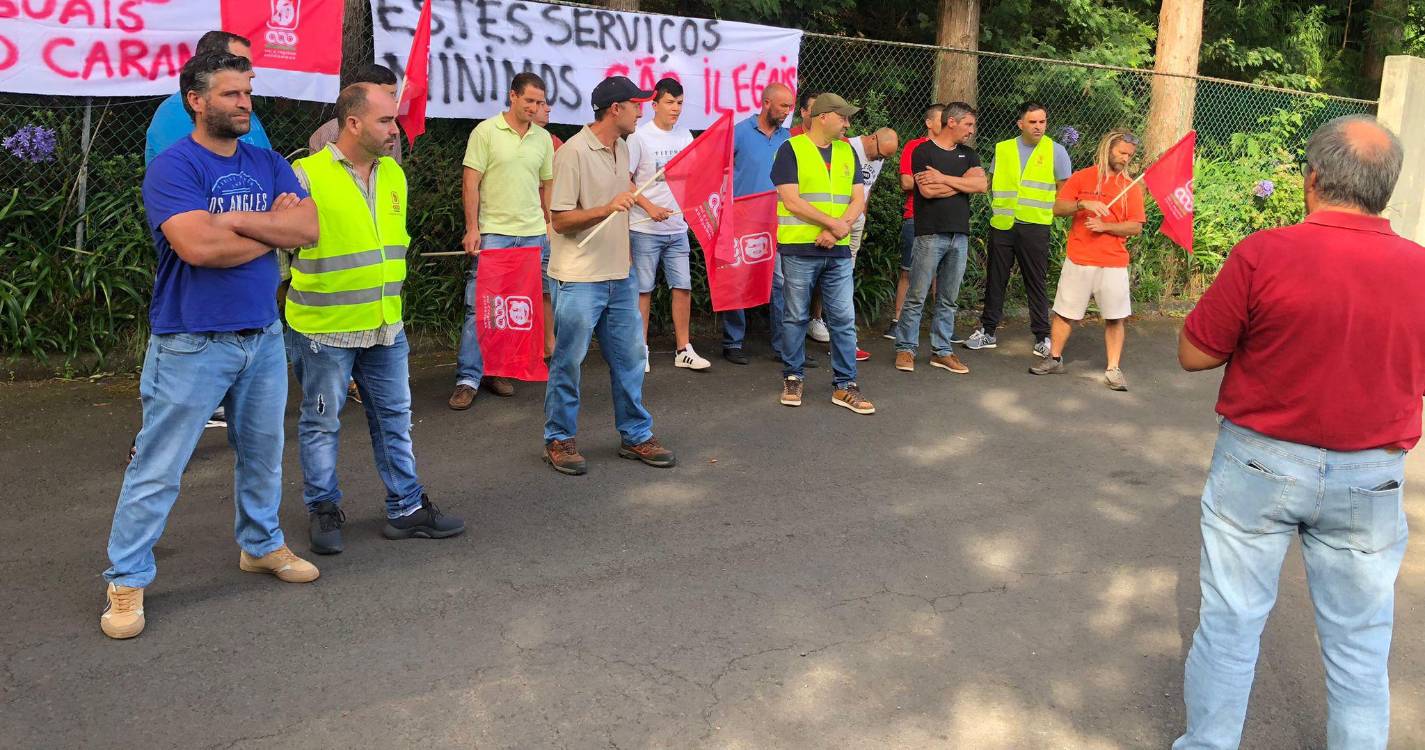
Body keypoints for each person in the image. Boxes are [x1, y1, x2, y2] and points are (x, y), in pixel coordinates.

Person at [1174, 115, 1424, 750]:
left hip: (1259, 465)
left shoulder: (1265, 253)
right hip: (1370, 476)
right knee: (1361, 647)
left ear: (1312, 180)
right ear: (1386, 190)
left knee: (1230, 625)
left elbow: (1195, 353)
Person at [100, 52, 321, 640]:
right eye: (230, 94)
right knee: (159, 467)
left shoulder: (268, 161)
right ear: (195, 102)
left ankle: (261, 546)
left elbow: (308, 231)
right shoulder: (174, 168)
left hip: (263, 336)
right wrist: (263, 228)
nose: (245, 103)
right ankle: (125, 578)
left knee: (263, 454)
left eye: (248, 92)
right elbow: (198, 249)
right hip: (190, 341)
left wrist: (232, 227)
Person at [287, 83, 465, 555]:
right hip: (325, 328)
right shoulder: (304, 175)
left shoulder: (393, 175)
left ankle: (406, 508)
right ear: (352, 123)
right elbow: (282, 249)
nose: (395, 129)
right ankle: (323, 507)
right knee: (322, 423)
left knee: (394, 418)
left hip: (386, 325)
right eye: (385, 120)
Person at [543, 76, 677, 475]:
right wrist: (606, 207)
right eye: (636, 104)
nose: (642, 110)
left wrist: (640, 208)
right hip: (579, 277)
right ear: (614, 109)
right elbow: (561, 220)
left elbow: (625, 197)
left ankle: (636, 435)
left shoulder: (622, 147)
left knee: (631, 358)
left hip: (619, 276)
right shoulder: (571, 154)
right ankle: (559, 438)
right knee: (569, 360)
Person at [144, 29, 271, 432]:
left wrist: (247, 222)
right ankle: (154, 436)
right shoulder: (172, 117)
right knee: (166, 437)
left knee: (261, 452)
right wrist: (272, 231)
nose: (247, 81)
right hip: (193, 311)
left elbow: (277, 186)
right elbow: (195, 231)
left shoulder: (246, 117)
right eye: (238, 65)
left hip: (249, 307)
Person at [449, 72, 555, 410]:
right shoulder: (485, 132)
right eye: (529, 101)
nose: (535, 107)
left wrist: (550, 224)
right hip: (494, 233)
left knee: (518, 307)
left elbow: (547, 185)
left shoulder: (542, 138)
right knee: (480, 307)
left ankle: (499, 369)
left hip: (534, 233)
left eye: (539, 102)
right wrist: (472, 228)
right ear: (512, 96)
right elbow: (471, 183)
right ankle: (468, 378)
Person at [773, 93, 873, 415]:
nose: (848, 123)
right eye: (843, 117)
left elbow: (858, 198)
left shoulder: (847, 152)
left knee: (843, 318)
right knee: (796, 316)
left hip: (837, 249)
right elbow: (791, 200)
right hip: (800, 247)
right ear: (823, 117)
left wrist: (836, 229)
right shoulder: (791, 149)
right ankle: (793, 376)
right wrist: (834, 224)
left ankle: (845, 386)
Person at [1030, 129, 1144, 389]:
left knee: (1115, 317)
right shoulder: (1082, 177)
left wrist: (1106, 227)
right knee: (1064, 312)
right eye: (1121, 152)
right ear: (1108, 148)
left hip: (1113, 262)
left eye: (1130, 155)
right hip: (1079, 258)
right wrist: (1083, 204)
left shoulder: (1131, 188)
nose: (1125, 158)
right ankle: (1054, 358)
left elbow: (1136, 227)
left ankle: (1113, 369)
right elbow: (1058, 209)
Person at [964, 102, 1071, 357]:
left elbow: (1064, 192)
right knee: (995, 279)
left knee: (1035, 281)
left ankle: (1043, 336)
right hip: (1003, 224)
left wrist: (1049, 213)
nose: (1038, 127)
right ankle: (987, 331)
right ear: (1020, 123)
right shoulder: (1003, 149)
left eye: (1042, 122)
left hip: (1035, 226)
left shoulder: (1057, 151)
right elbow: (990, 183)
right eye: (1032, 122)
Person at [722, 83, 810, 367]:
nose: (787, 112)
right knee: (738, 279)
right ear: (767, 103)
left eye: (790, 107)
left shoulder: (789, 139)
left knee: (781, 283)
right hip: (742, 219)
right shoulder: (740, 131)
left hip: (778, 222)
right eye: (783, 106)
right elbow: (720, 170)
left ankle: (784, 346)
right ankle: (733, 342)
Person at [894, 102, 984, 375]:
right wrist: (962, 185)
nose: (971, 130)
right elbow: (928, 192)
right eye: (968, 124)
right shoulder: (924, 151)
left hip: (960, 234)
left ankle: (941, 351)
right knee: (917, 294)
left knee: (948, 297)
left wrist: (944, 178)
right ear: (952, 122)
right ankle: (905, 349)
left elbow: (981, 185)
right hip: (931, 232)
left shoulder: (969, 155)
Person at [627, 77, 710, 371]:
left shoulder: (685, 135)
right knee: (643, 290)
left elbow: (694, 176)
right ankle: (640, 350)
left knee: (683, 287)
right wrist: (648, 206)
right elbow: (625, 179)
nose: (675, 109)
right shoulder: (639, 136)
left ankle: (683, 349)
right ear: (654, 104)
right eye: (669, 102)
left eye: (679, 103)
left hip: (677, 228)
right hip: (644, 228)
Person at [806, 126, 898, 360]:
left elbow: (867, 191)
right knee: (824, 275)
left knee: (842, 276)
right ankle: (818, 323)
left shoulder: (879, 156)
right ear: (873, 138)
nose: (880, 160)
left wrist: (861, 220)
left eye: (885, 158)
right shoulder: (846, 147)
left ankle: (833, 332)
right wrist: (836, 224)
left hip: (855, 222)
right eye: (880, 154)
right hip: (833, 220)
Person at [145, 31, 270, 165]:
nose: (250, 72)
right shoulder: (176, 111)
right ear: (210, 62)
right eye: (237, 63)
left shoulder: (241, 105)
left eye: (248, 64)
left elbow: (267, 159)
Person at [885, 103, 945, 340]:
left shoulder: (954, 149)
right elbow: (907, 182)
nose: (947, 122)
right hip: (916, 217)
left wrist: (934, 181)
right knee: (908, 272)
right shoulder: (915, 146)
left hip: (945, 219)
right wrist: (942, 183)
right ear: (929, 123)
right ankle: (897, 321)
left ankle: (940, 330)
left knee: (941, 275)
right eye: (942, 119)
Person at [307, 64, 403, 163]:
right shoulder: (327, 134)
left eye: (395, 94)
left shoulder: (392, 131)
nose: (394, 100)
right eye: (388, 95)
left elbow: (394, 167)